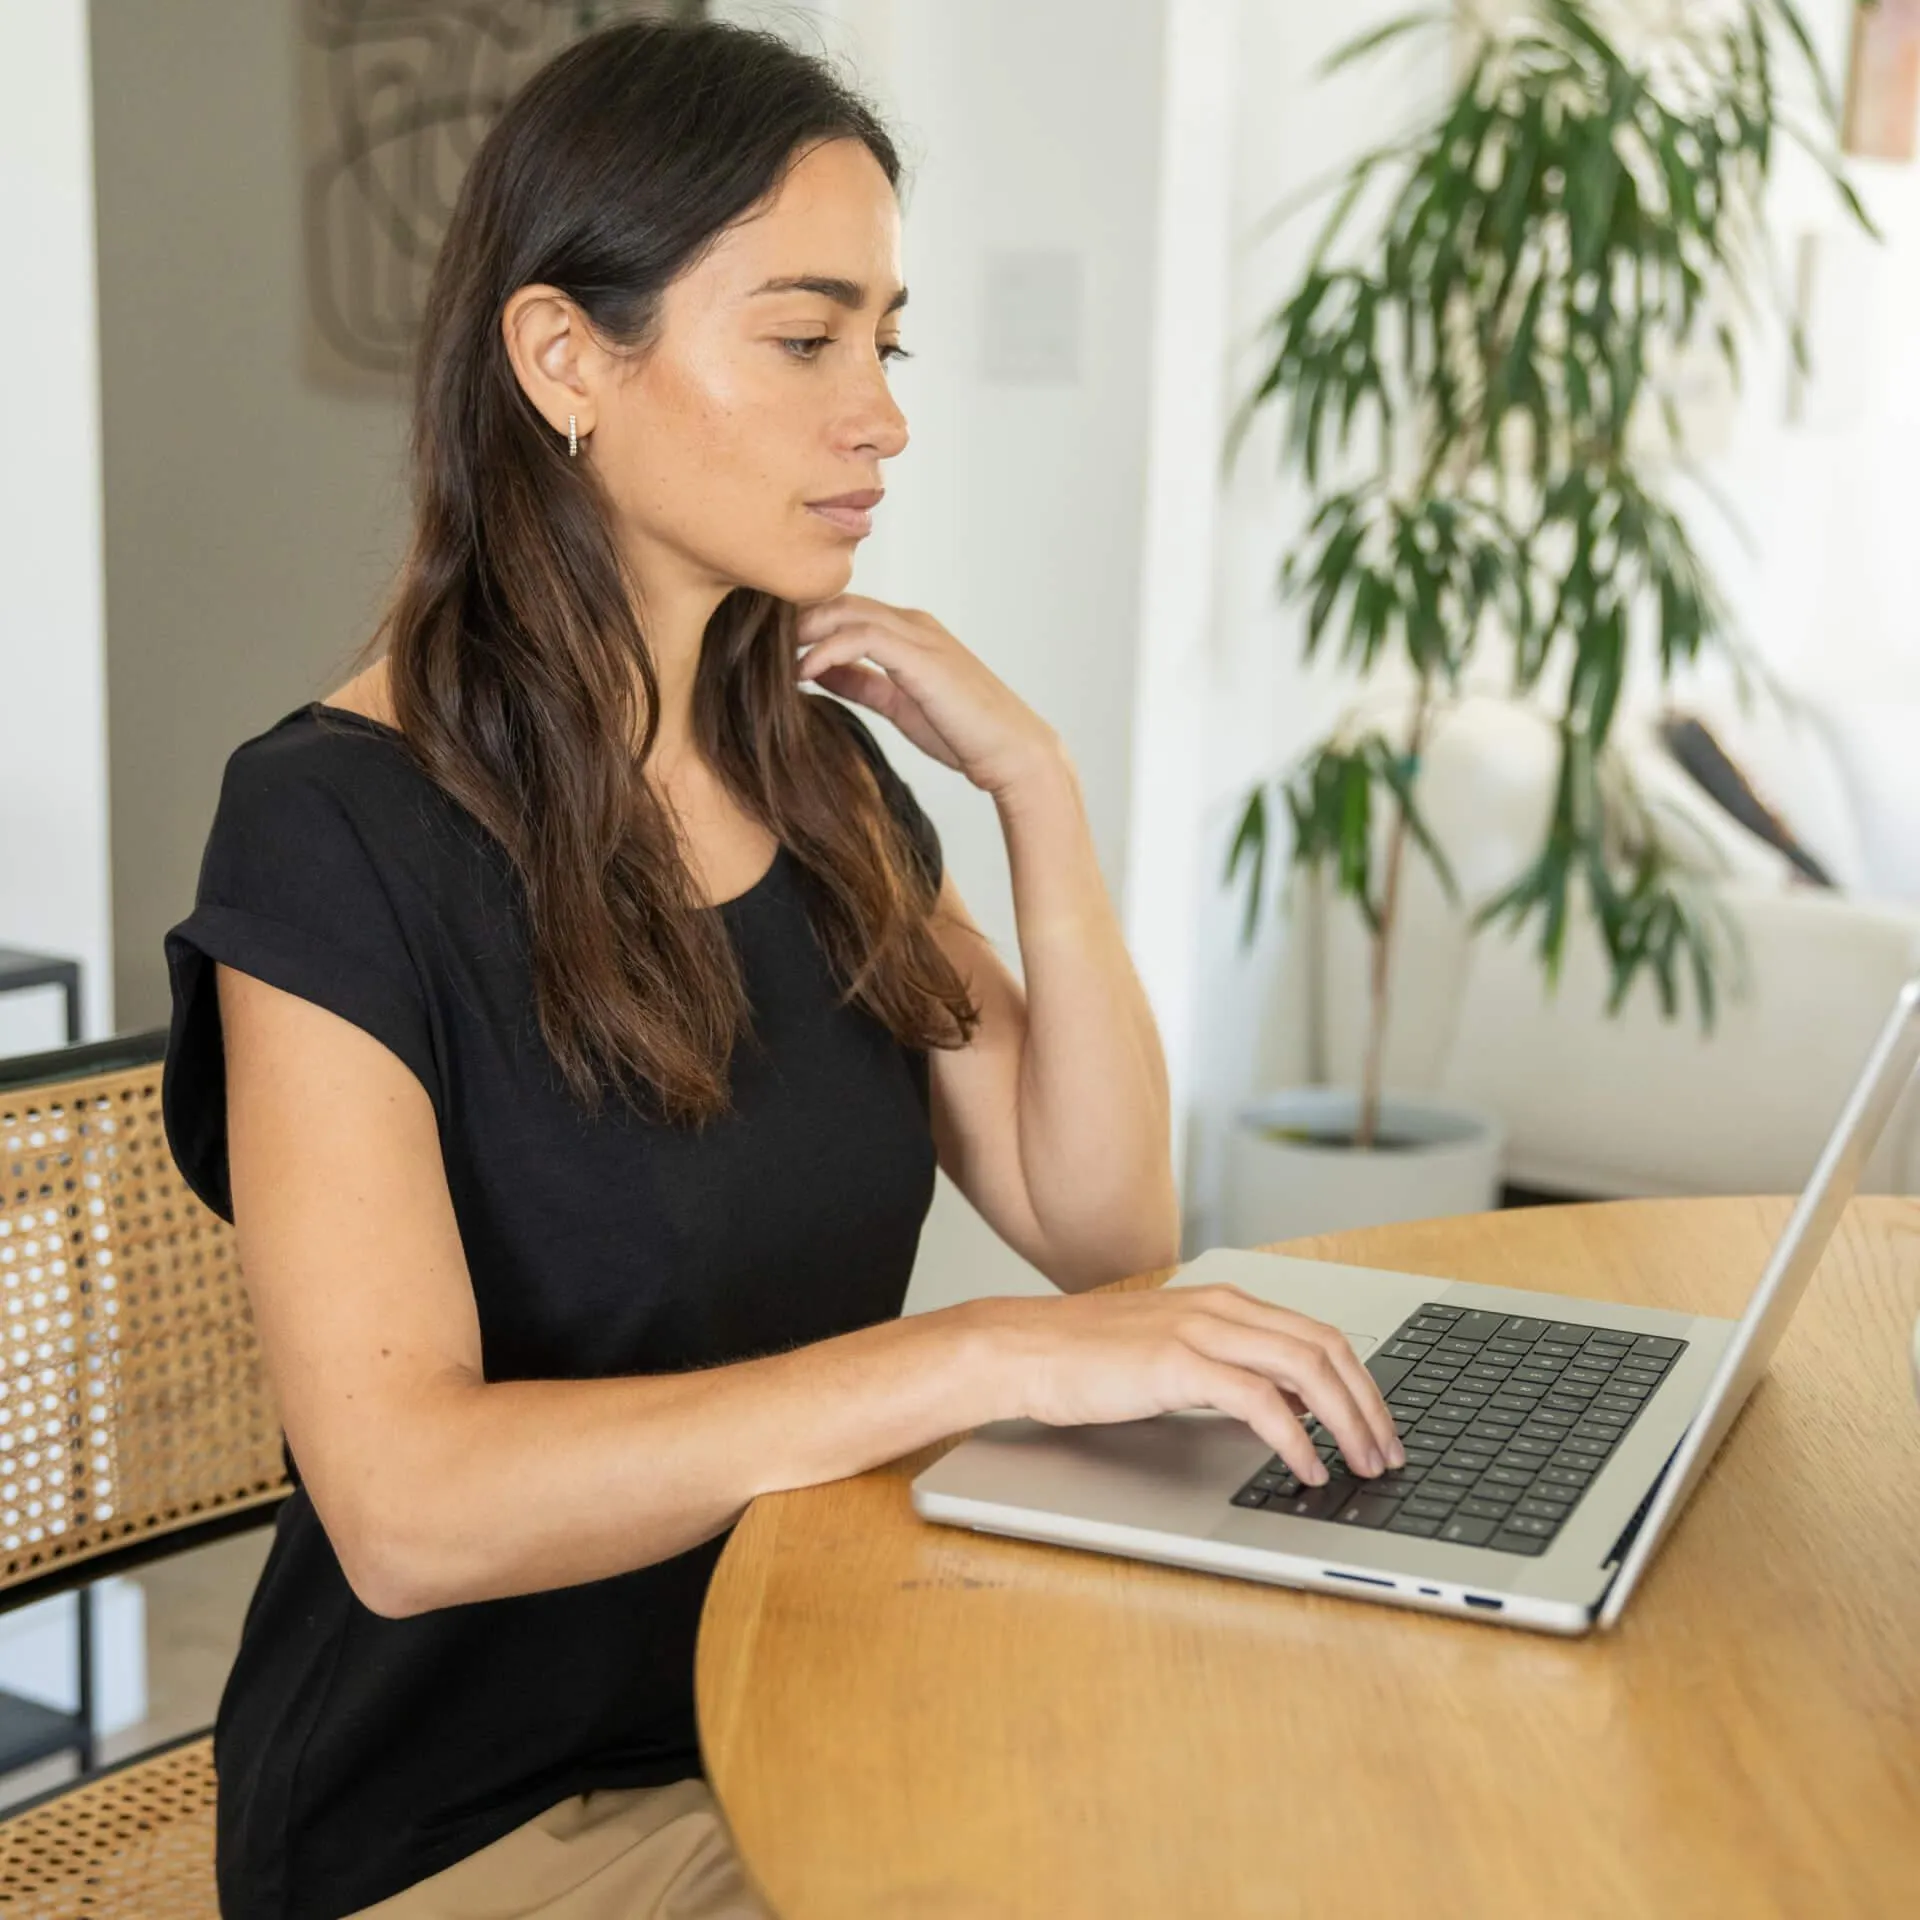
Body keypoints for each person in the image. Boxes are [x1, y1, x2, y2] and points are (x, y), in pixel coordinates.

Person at [160, 17, 1402, 1919]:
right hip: (477, 1823)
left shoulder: (811, 770)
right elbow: (406, 1512)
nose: (883, 412)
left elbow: (1106, 1224)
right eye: (808, 337)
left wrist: (1037, 792)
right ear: (567, 357)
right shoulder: (332, 829)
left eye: (886, 341)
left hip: (803, 1691)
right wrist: (967, 1361)